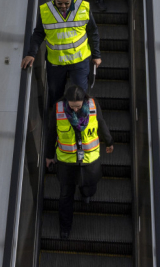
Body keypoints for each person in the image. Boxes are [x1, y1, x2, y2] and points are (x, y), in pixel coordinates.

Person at [45, 85, 114, 240]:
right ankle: (65, 228)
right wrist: (49, 156)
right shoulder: (58, 109)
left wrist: (109, 141)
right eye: (72, 106)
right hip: (67, 162)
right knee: (65, 197)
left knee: (89, 186)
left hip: (89, 160)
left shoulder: (93, 105)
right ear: (66, 101)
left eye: (78, 106)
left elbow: (101, 123)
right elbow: (52, 133)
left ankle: (86, 194)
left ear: (84, 100)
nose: (75, 110)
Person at [21, 0, 101, 106]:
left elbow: (93, 32)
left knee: (80, 94)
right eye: (59, 3)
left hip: (79, 60)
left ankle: (79, 116)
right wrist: (31, 54)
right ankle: (56, 115)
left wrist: (96, 55)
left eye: (67, 3)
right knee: (55, 94)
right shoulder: (45, 10)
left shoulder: (83, 8)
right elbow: (38, 34)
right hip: (56, 62)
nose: (63, 6)